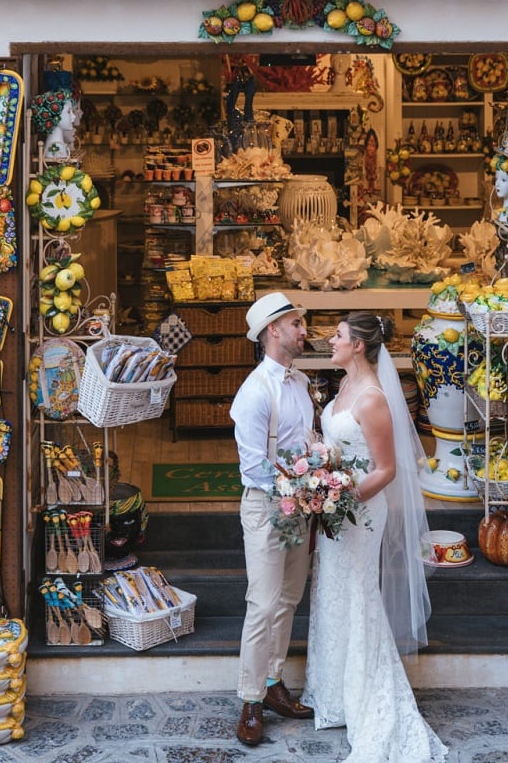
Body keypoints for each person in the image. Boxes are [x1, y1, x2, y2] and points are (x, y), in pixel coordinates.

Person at [302, 312, 448, 763]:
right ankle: (336, 694)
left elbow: (387, 469)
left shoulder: (372, 399)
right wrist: (316, 460)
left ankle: (370, 699)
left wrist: (341, 500)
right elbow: (339, 448)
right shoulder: (343, 386)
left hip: (360, 512)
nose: (331, 340)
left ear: (360, 345)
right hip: (336, 509)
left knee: (357, 593)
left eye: (339, 335)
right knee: (333, 592)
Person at [228, 292, 315, 746]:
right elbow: (253, 467)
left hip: (300, 507)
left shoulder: (300, 384)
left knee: (288, 599)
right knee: (262, 604)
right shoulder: (255, 392)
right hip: (266, 508)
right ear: (273, 332)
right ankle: (250, 699)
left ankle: (274, 682)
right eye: (297, 324)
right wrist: (302, 485)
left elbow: (306, 443)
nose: (304, 330)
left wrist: (320, 477)